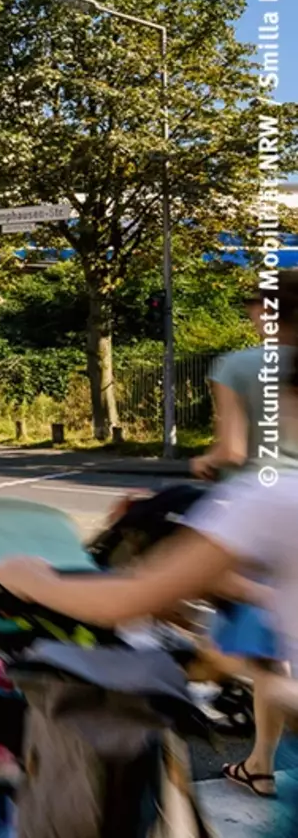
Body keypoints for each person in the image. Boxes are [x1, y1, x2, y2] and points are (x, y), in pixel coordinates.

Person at [183, 272, 298, 798]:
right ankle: (259, 764)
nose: (251, 311)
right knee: (276, 646)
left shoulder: (238, 364)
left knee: (247, 648)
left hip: (259, 515)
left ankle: (206, 667)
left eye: (255, 303)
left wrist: (202, 461)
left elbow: (230, 453)